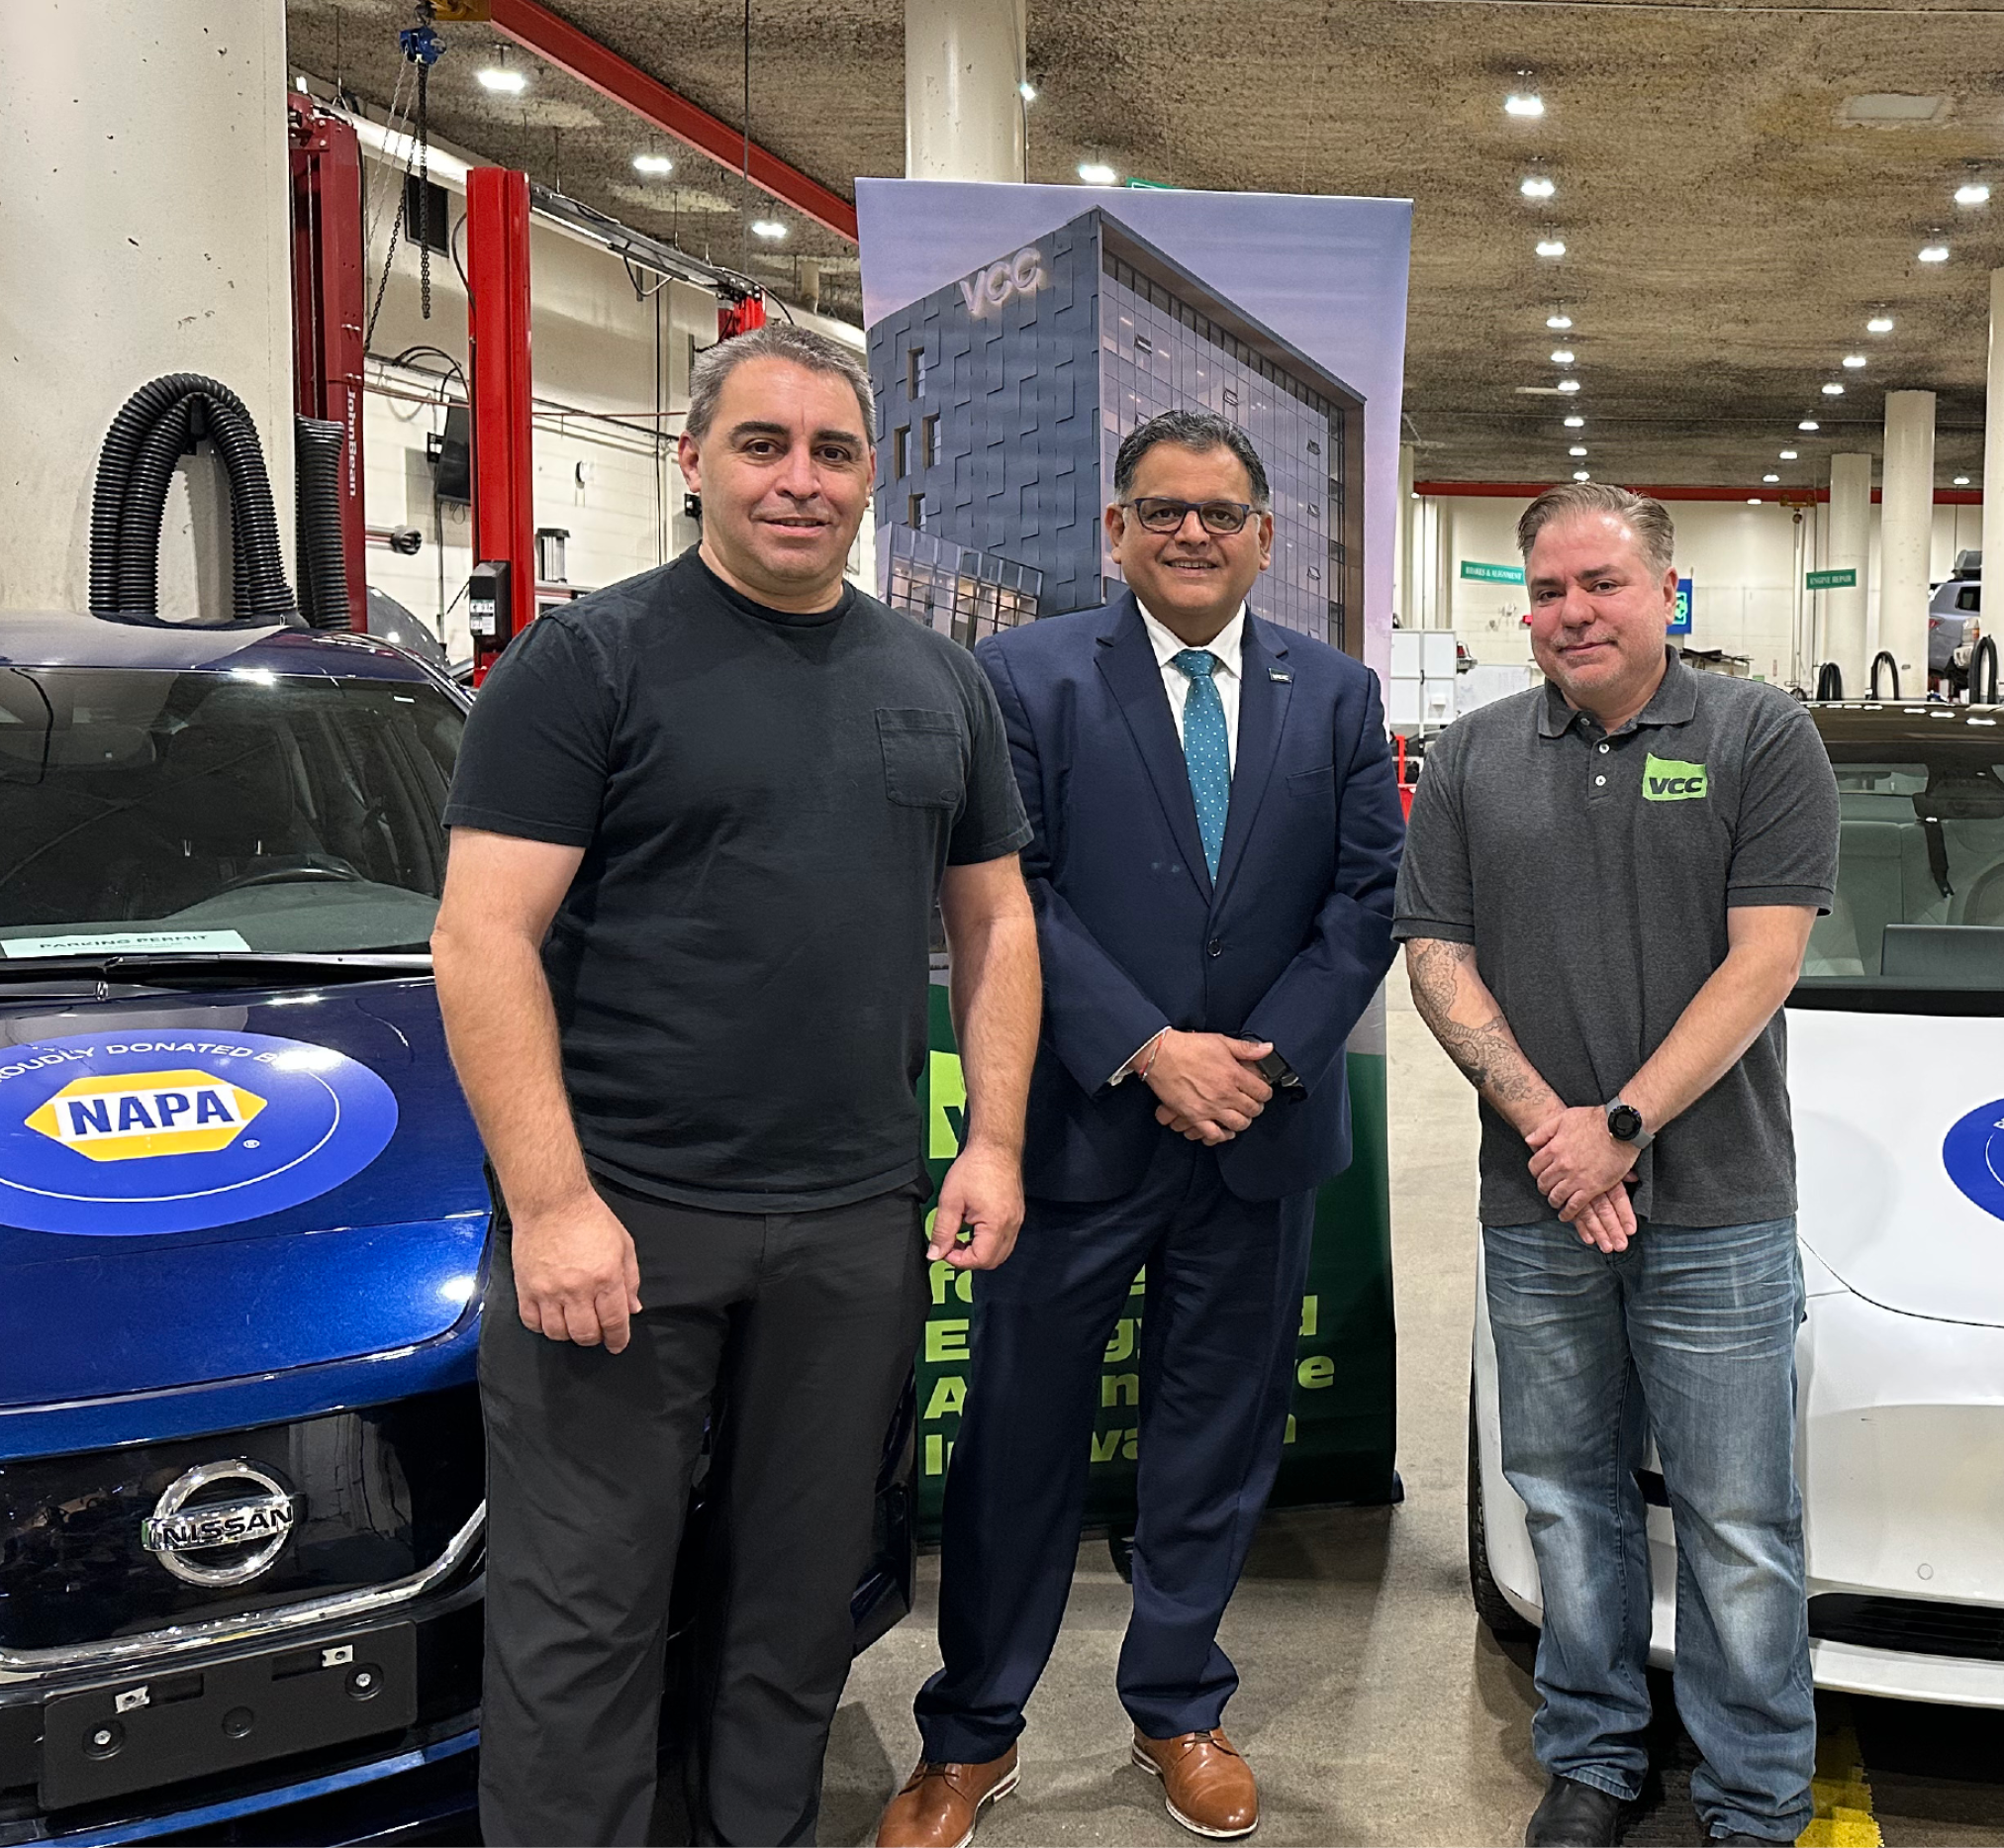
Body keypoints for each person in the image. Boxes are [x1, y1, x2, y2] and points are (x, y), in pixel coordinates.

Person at [431, 322, 1040, 1846]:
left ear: (869, 477)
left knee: (794, 1614)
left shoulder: (935, 678)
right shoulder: (589, 662)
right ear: (693, 458)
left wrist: (996, 1143)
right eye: (762, 444)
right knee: (584, 1621)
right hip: (626, 1221)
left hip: (849, 1224)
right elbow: (481, 935)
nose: (800, 479)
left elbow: (996, 916)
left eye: (834, 451)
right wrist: (553, 1201)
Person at [876, 410, 1402, 1847]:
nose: (1191, 533)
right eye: (1162, 509)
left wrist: (1269, 1057)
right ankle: (971, 1734)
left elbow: (1368, 899)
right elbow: (1008, 891)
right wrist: (1151, 1050)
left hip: (1264, 1131)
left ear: (1264, 538)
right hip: (1077, 1131)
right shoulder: (1025, 677)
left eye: (1220, 512)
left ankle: (1178, 1701)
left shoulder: (1337, 692)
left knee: (1215, 1437)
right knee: (1020, 1437)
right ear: (1115, 531)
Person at [1395, 482, 1840, 1847]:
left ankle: (1754, 1791)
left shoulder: (1761, 734)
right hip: (1538, 1204)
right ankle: (1593, 1752)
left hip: (1717, 1206)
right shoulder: (1472, 757)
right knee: (1566, 1496)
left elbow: (1764, 957)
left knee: (1739, 1519)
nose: (1572, 611)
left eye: (1600, 582)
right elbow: (1437, 955)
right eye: (1547, 590)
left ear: (1667, 590)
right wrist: (1555, 1133)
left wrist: (1621, 1128)